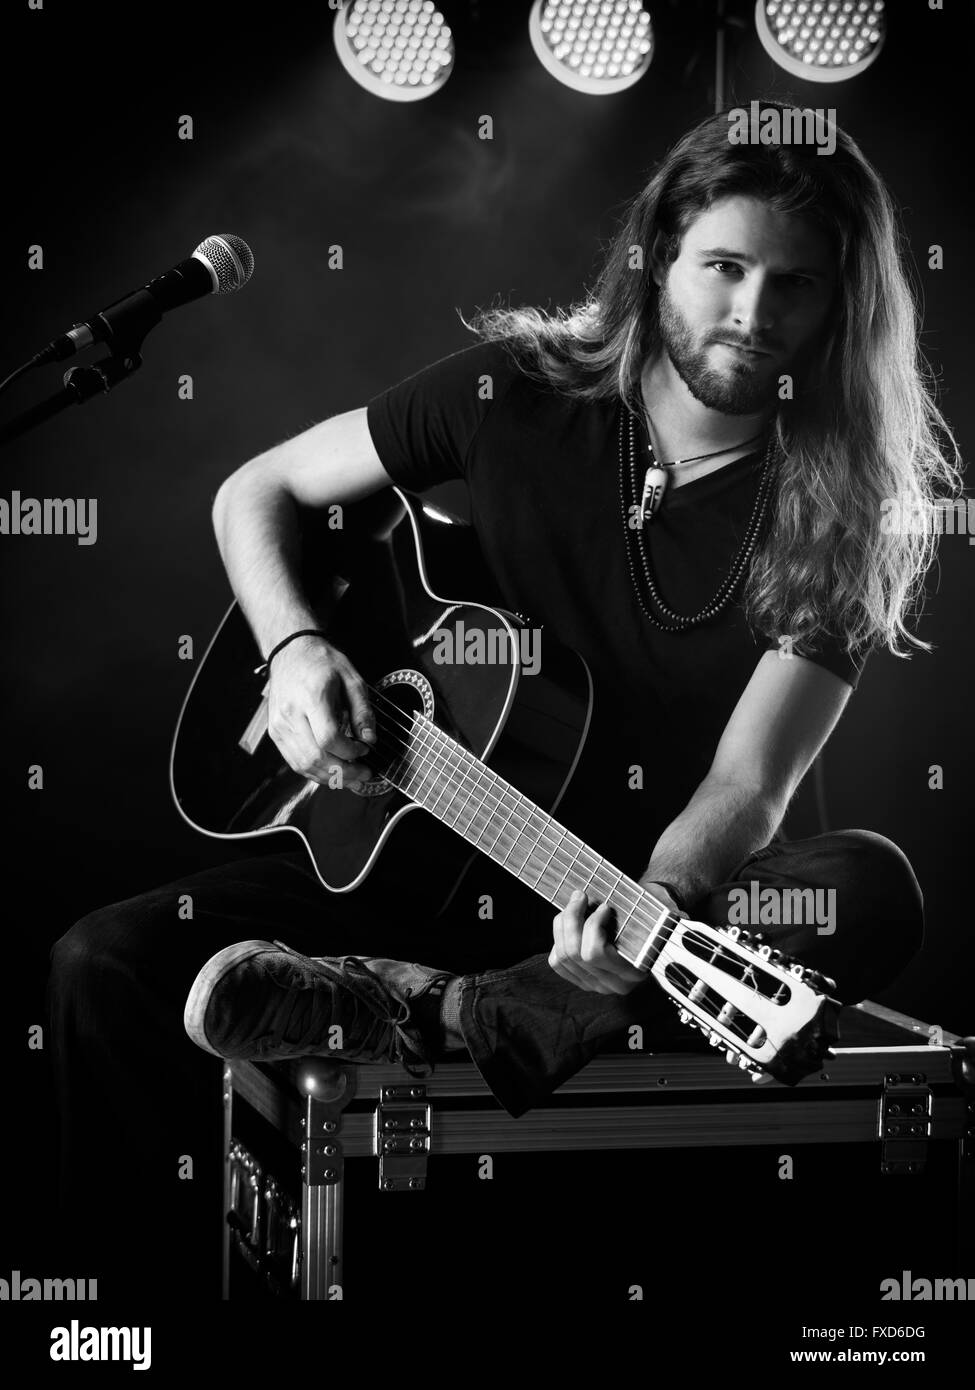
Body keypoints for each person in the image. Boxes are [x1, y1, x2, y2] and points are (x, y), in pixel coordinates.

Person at [47, 103, 959, 1298]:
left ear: (844, 305)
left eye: (794, 284)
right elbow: (255, 491)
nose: (751, 313)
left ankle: (452, 1009)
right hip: (398, 864)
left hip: (600, 906)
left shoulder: (834, 517)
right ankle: (139, 1326)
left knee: (865, 892)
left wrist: (650, 912)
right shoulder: (513, 393)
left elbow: (750, 782)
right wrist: (298, 648)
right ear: (659, 258)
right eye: (724, 267)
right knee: (100, 965)